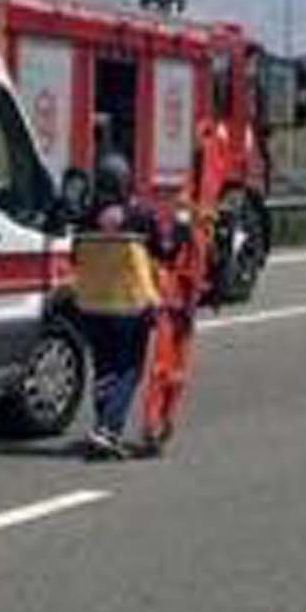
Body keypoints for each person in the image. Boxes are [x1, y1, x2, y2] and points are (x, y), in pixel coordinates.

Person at [70, 153, 182, 459]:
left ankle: (103, 427)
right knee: (129, 369)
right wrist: (181, 233)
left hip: (91, 305)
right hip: (130, 303)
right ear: (125, 182)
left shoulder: (83, 218)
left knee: (104, 369)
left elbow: (74, 257)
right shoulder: (139, 217)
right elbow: (164, 252)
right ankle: (108, 429)